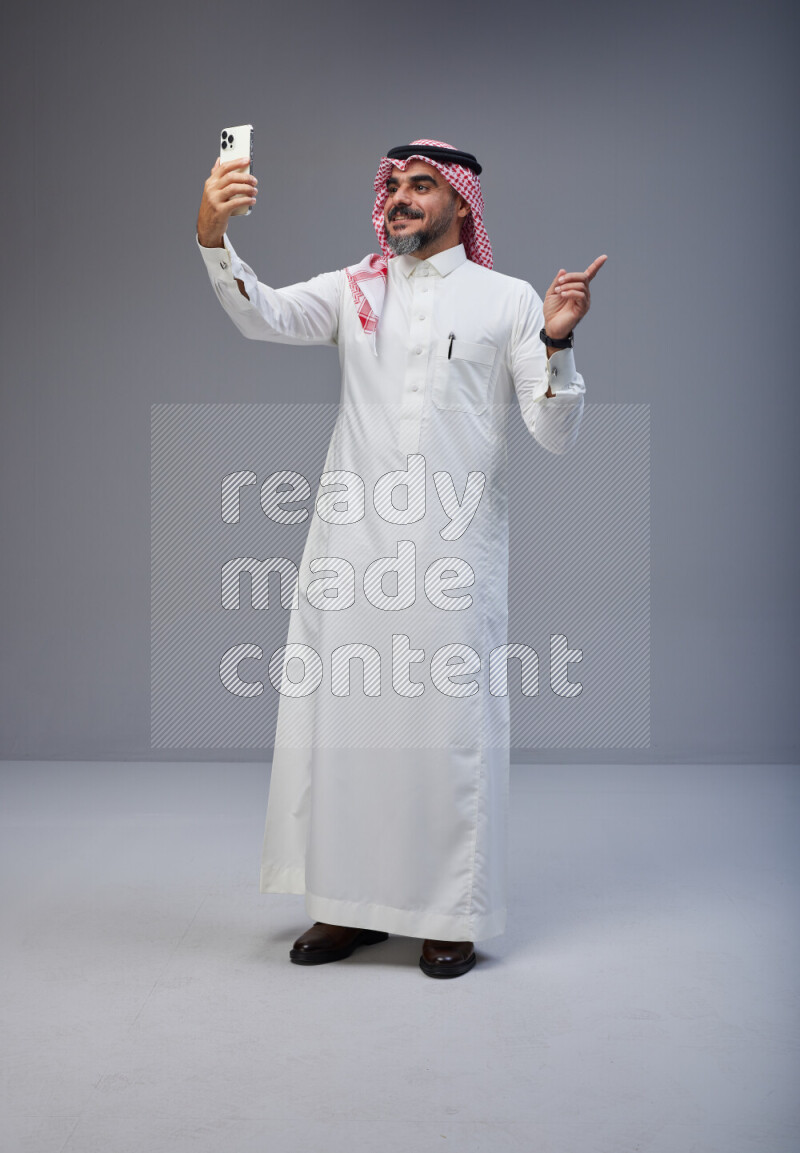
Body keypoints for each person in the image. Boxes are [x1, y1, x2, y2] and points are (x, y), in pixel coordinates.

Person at [196, 138, 606, 979]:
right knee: (346, 730)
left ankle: (449, 915)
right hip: (351, 551)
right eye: (393, 186)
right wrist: (212, 235)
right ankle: (346, 906)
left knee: (445, 733)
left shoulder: (506, 299)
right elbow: (262, 313)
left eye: (422, 185)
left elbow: (553, 431)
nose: (401, 198)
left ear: (461, 202)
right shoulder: (357, 288)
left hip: (453, 554)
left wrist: (557, 341)